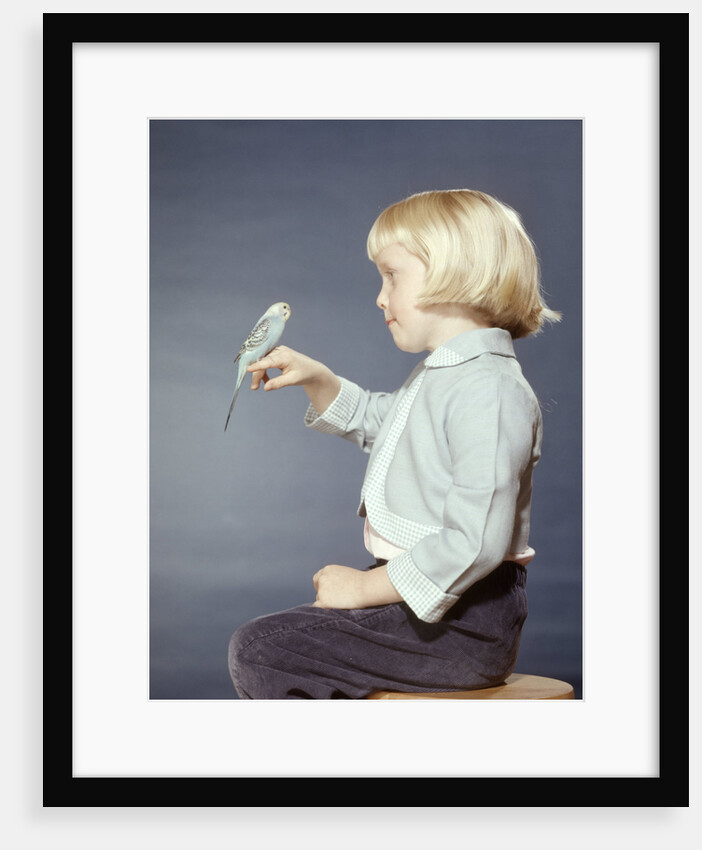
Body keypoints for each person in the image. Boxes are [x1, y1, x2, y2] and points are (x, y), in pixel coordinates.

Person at [228, 189, 561, 699]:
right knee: (279, 636)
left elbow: (475, 542)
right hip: (425, 604)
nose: (380, 297)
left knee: (263, 647)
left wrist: (364, 588)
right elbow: (379, 421)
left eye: (391, 275)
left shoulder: (488, 392)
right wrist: (317, 378)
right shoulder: (443, 376)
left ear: (456, 270)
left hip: (466, 625)